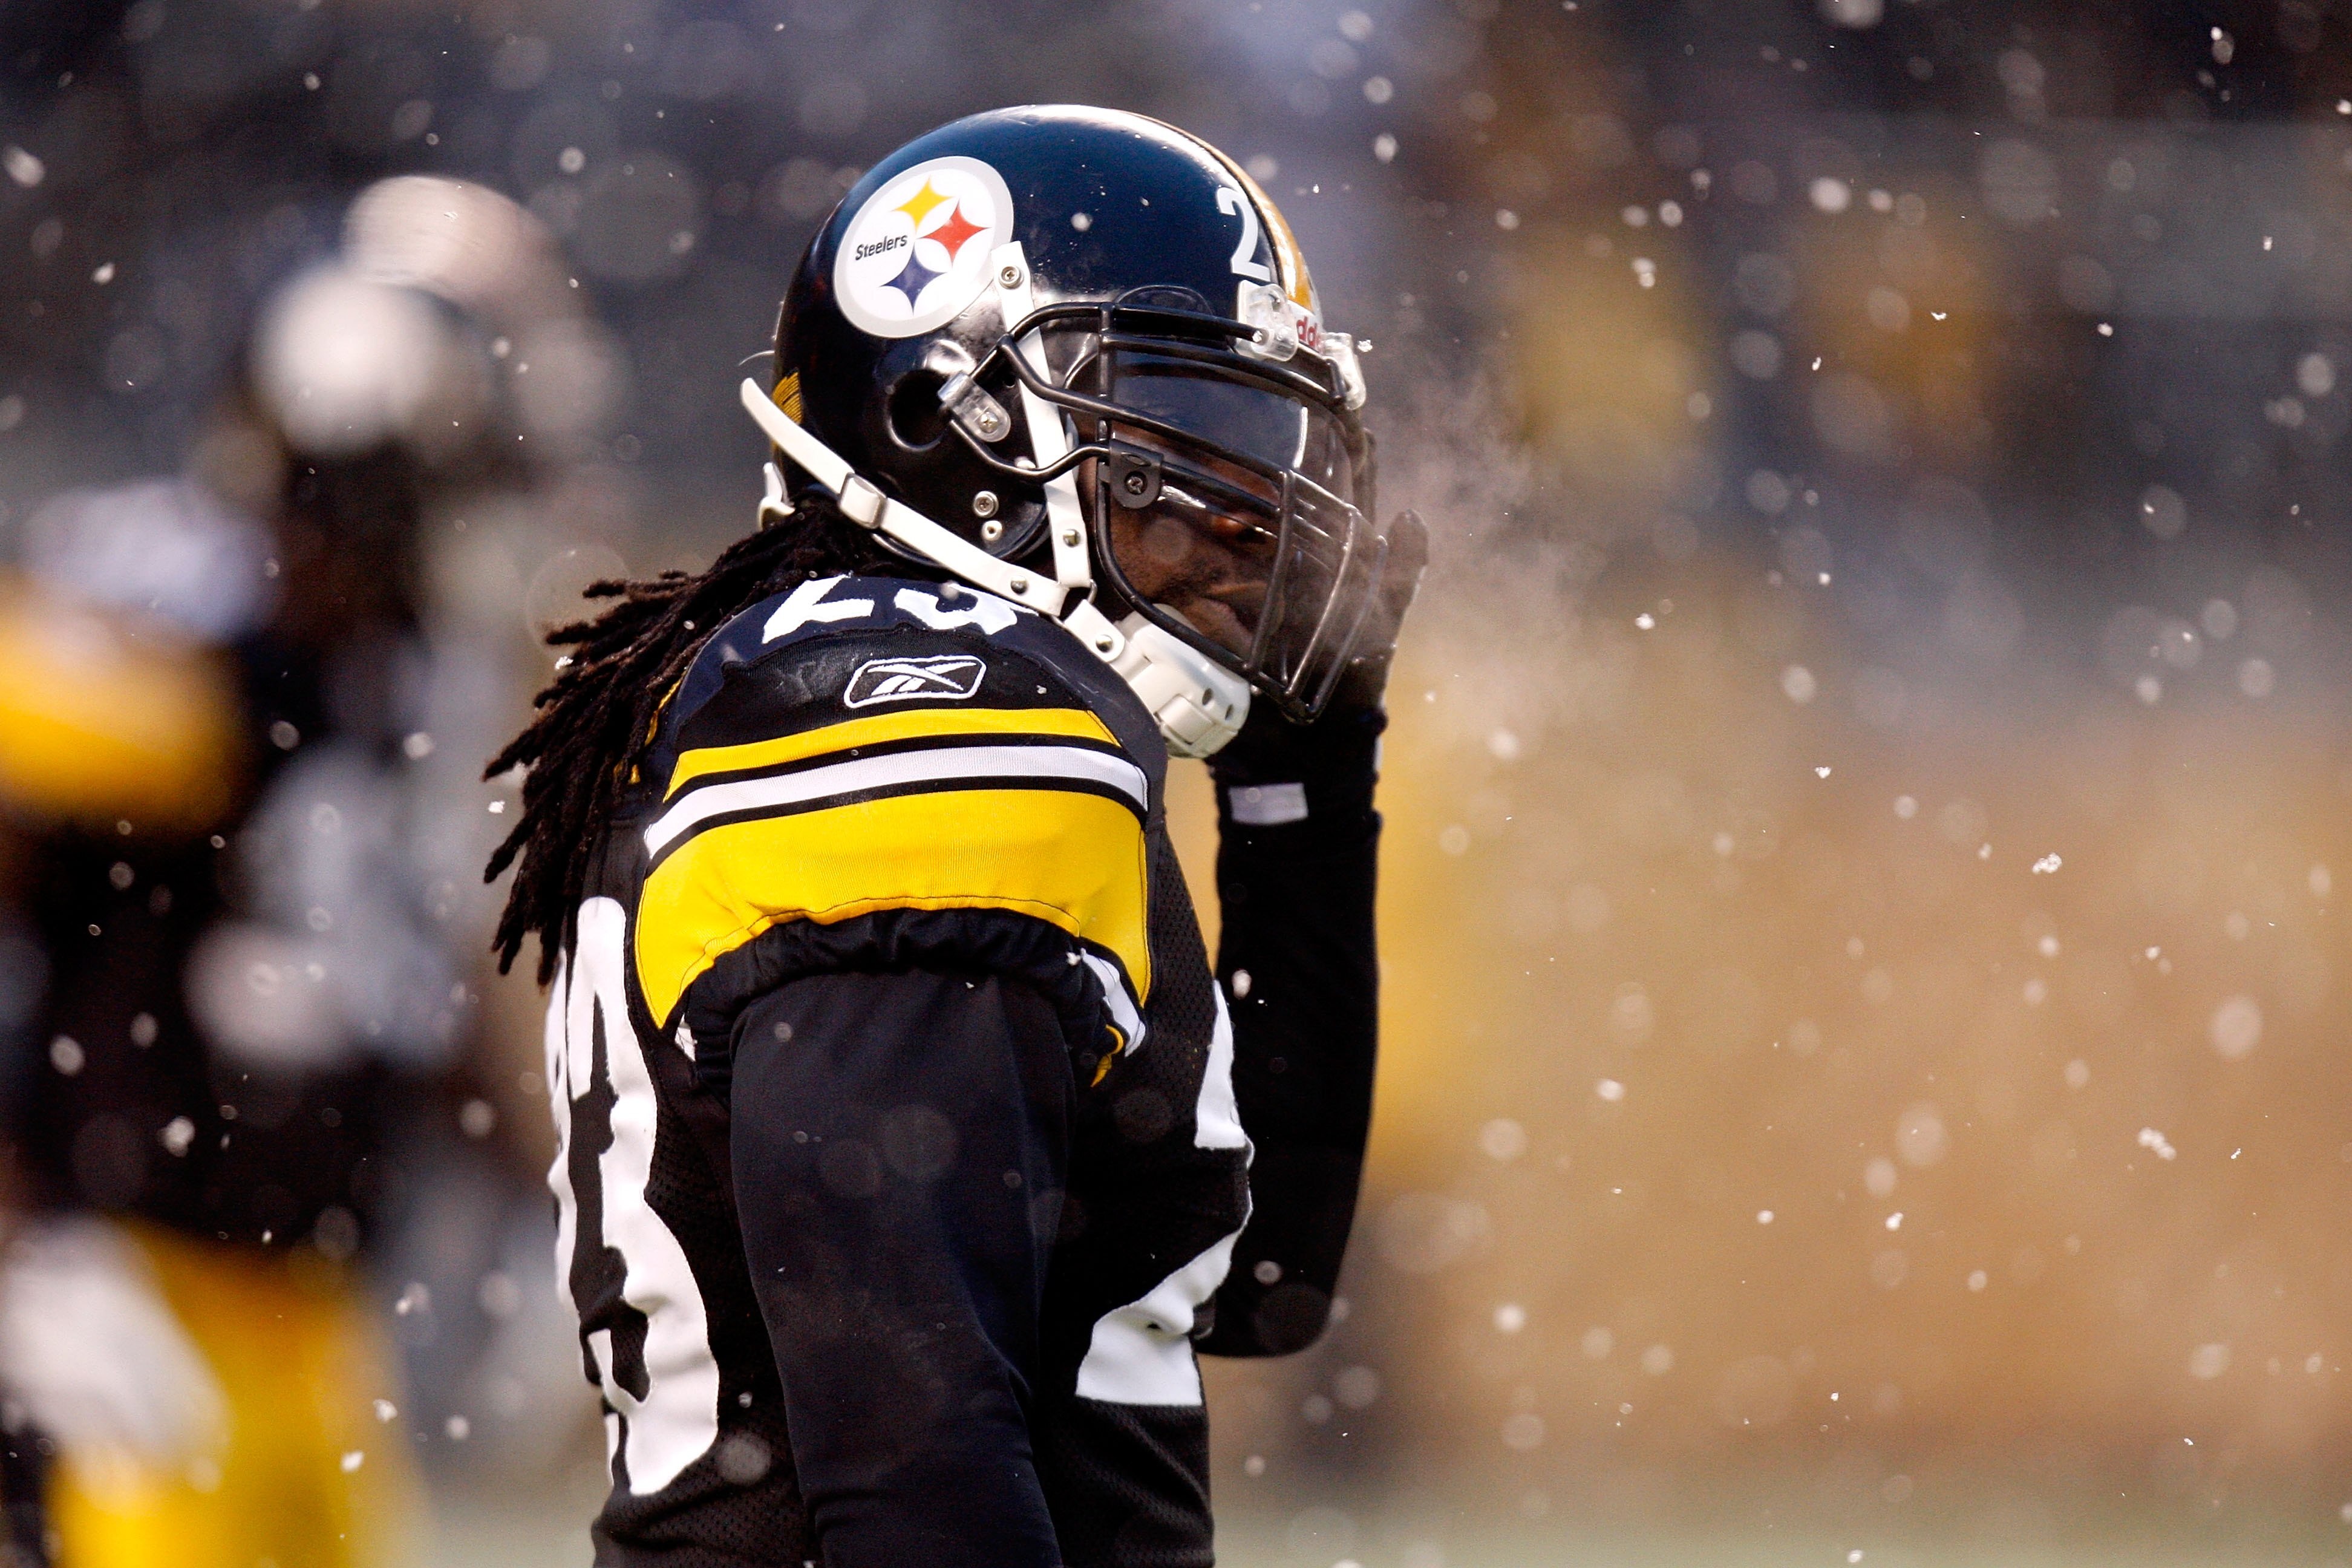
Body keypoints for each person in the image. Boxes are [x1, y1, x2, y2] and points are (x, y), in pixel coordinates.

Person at [486, 105, 1424, 1566]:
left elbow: (1259, 1282)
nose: (1249, 535)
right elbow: (910, 1465)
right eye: (1183, 461)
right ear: (953, 427)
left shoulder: (831, 692)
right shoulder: (924, 716)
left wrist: (1301, 791)